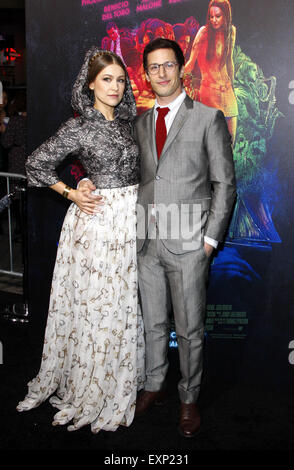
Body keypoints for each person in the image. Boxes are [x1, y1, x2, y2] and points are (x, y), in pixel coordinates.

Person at [80, 38, 236, 438]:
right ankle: (153, 386)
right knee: (152, 324)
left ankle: (188, 399)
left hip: (190, 244)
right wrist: (83, 179)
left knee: (189, 329)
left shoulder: (208, 117)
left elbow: (225, 184)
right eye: (153, 67)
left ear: (181, 68)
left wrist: (210, 242)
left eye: (168, 65)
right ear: (146, 75)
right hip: (146, 241)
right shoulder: (139, 124)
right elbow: (118, 170)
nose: (161, 73)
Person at [16, 47, 145, 433]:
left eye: (120, 80)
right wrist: (72, 191)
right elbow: (35, 163)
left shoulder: (128, 122)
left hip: (130, 219)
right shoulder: (79, 126)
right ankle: (92, 384)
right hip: (98, 222)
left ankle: (120, 376)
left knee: (123, 300)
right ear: (89, 85)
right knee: (97, 302)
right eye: (107, 79)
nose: (115, 86)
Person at [185, 0, 238, 144]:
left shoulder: (231, 31)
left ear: (226, 15)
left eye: (218, 16)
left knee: (231, 142)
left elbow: (229, 61)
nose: (214, 20)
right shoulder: (203, 32)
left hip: (227, 93)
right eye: (211, 16)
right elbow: (191, 62)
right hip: (209, 92)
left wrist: (233, 87)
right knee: (215, 144)